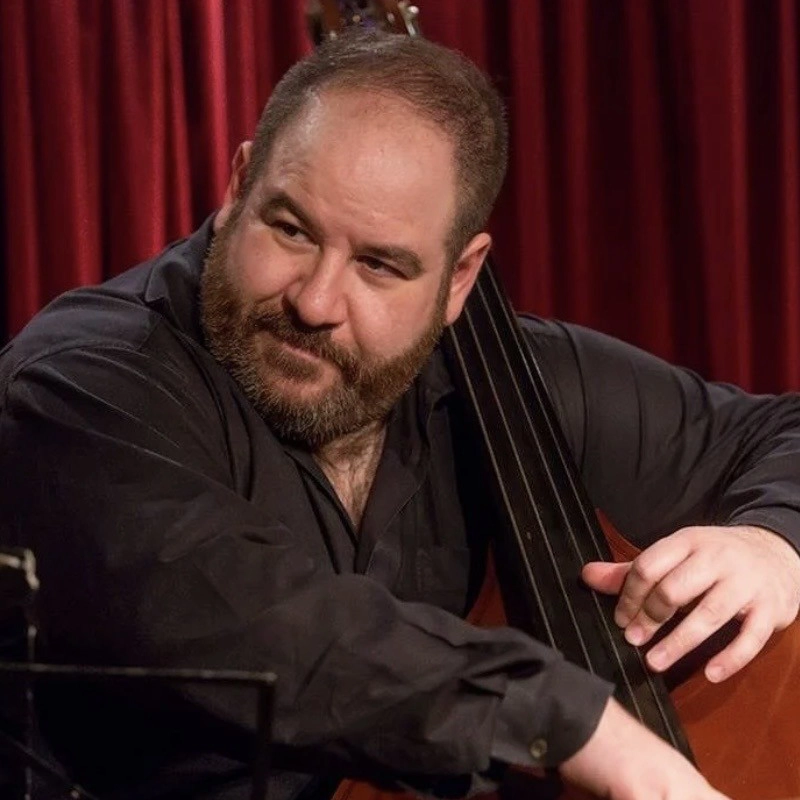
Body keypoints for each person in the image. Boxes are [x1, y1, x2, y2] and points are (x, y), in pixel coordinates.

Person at [0, 30, 798, 800]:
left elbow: (779, 435)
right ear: (239, 184)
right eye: (290, 229)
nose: (315, 301)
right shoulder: (84, 382)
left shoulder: (503, 372)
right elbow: (268, 625)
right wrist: (576, 725)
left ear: (460, 278)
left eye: (380, 266)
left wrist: (772, 542)